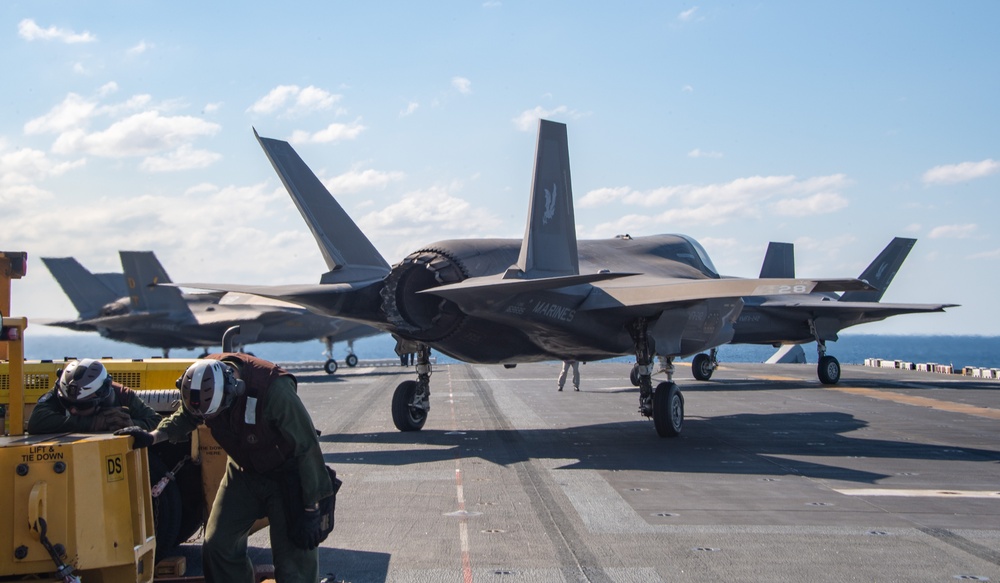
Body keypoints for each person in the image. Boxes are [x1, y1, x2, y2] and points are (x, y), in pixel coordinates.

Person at [116, 353, 336, 583]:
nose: (213, 418)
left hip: (287, 477)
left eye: (216, 412)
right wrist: (152, 437)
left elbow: (306, 447)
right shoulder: (199, 386)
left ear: (234, 391)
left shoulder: (274, 390)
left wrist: (312, 507)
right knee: (218, 546)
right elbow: (186, 418)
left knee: (295, 561)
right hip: (243, 471)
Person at [28, 358, 161, 434]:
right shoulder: (61, 391)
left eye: (83, 405)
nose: (73, 410)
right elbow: (36, 422)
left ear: (101, 397)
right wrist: (90, 423)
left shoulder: (122, 395)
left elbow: (155, 422)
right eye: (67, 404)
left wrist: (131, 426)